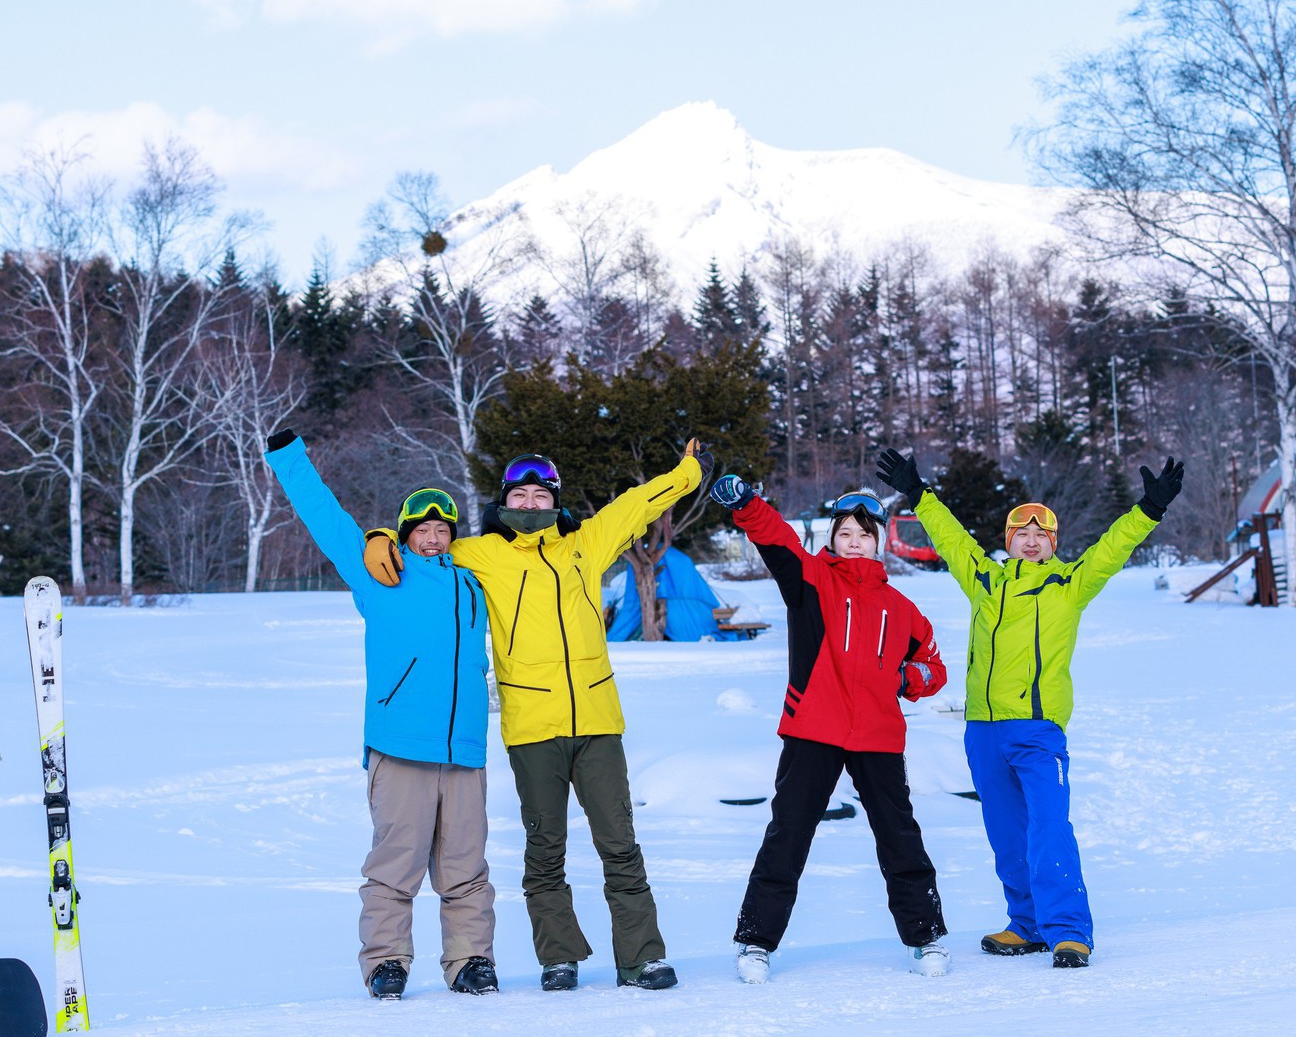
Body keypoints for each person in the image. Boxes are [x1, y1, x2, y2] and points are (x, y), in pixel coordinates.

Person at [364, 442, 711, 991]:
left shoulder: (586, 545)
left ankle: (642, 957)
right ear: (504, 503)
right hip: (531, 727)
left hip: (597, 721)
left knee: (619, 843)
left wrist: (689, 472)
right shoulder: (480, 554)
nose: (530, 502)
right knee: (545, 849)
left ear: (555, 500)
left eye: (541, 493)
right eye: (520, 494)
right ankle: (559, 956)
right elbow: (424, 548)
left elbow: (636, 505)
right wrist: (379, 537)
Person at [877, 447, 1184, 970]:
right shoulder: (986, 582)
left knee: (1049, 828)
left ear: (1053, 544)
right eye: (1023, 532)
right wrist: (920, 494)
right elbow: (951, 540)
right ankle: (1027, 923)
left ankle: (1068, 930)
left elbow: (1112, 548)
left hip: (1038, 731)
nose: (1033, 539)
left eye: (1043, 534)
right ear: (1009, 541)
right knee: (1005, 831)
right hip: (984, 731)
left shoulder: (1070, 584)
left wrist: (1148, 510)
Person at [264, 429, 498, 1000]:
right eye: (424, 529)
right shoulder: (380, 573)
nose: (435, 538)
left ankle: (470, 961)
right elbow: (328, 519)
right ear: (405, 533)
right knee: (396, 863)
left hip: (464, 749)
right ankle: (386, 962)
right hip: (401, 745)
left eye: (444, 529)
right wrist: (290, 458)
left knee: (467, 866)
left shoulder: (472, 583)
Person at [709, 478, 951, 982]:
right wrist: (748, 503)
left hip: (879, 736)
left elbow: (933, 667)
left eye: (865, 534)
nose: (855, 541)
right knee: (789, 834)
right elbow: (777, 541)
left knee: (899, 836)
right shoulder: (812, 579)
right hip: (814, 728)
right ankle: (755, 941)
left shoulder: (902, 609)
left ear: (879, 541)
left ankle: (926, 937)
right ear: (832, 539)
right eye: (846, 533)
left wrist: (905, 678)